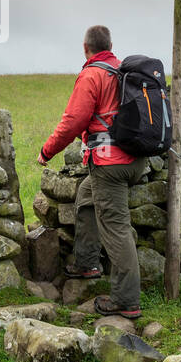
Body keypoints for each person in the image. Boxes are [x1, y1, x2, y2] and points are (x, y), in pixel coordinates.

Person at [37, 24, 147, 318]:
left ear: (85, 48)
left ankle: (126, 300)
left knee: (116, 229)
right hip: (136, 159)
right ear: (110, 45)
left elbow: (74, 121)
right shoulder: (124, 72)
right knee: (86, 195)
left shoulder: (92, 74)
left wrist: (47, 151)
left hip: (111, 163)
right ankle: (87, 263)